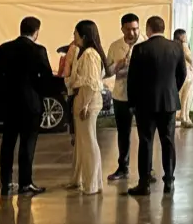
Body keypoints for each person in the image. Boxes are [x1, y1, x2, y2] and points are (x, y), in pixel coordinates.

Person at [126, 16, 186, 195]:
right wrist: (172, 90)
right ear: (164, 27)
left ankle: (144, 183)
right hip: (168, 102)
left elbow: (133, 79)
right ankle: (169, 181)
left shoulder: (140, 49)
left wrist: (132, 102)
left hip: (145, 103)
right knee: (168, 141)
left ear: (148, 29)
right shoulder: (176, 47)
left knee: (146, 142)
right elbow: (182, 73)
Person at [0, 16, 52, 196]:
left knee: (8, 143)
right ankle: (25, 183)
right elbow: (47, 78)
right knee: (28, 144)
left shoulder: (4, 48)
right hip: (31, 104)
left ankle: (6, 182)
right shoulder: (38, 50)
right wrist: (39, 94)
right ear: (36, 32)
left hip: (10, 103)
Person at [68, 20, 108, 196]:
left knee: (88, 142)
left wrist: (84, 105)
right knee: (82, 143)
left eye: (75, 33)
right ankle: (80, 179)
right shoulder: (84, 53)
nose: (73, 37)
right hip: (83, 99)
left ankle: (92, 183)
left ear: (83, 36)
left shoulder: (90, 55)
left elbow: (92, 83)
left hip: (87, 101)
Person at [105, 13, 142, 182]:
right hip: (121, 95)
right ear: (122, 29)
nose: (132, 33)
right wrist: (118, 65)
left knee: (145, 134)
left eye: (135, 29)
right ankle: (123, 167)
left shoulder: (145, 43)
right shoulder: (115, 46)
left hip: (142, 96)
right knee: (123, 133)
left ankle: (147, 169)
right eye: (128, 29)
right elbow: (108, 72)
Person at [174, 29, 193, 128]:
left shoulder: (173, 46)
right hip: (186, 74)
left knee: (182, 96)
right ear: (182, 37)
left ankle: (182, 117)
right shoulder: (183, 46)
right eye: (185, 36)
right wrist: (192, 63)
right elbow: (187, 56)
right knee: (185, 97)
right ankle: (183, 117)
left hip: (182, 74)